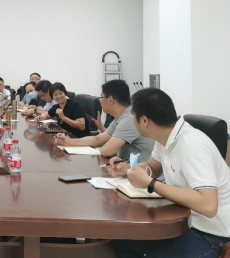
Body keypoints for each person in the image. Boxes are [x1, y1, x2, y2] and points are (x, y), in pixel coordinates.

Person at [108, 88, 230, 258]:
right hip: (184, 221)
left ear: (144, 120)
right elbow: (153, 167)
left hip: (212, 234)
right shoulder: (164, 137)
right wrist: (129, 168)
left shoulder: (191, 145)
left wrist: (150, 183)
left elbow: (208, 206)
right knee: (120, 242)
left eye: (133, 116)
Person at [56, 80, 154, 162]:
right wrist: (70, 141)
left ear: (110, 99)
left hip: (144, 174)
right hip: (128, 169)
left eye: (101, 97)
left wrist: (100, 148)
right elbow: (98, 139)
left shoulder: (129, 119)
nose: (100, 101)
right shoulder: (120, 117)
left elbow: (107, 151)